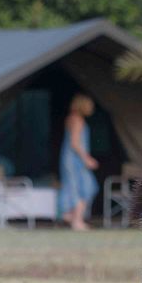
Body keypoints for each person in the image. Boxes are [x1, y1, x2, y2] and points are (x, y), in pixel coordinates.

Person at [58, 94, 99, 230]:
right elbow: (75, 143)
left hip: (69, 158)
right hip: (74, 159)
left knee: (80, 186)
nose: (91, 108)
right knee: (84, 187)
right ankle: (75, 220)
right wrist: (86, 158)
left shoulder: (72, 118)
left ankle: (72, 216)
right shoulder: (77, 120)